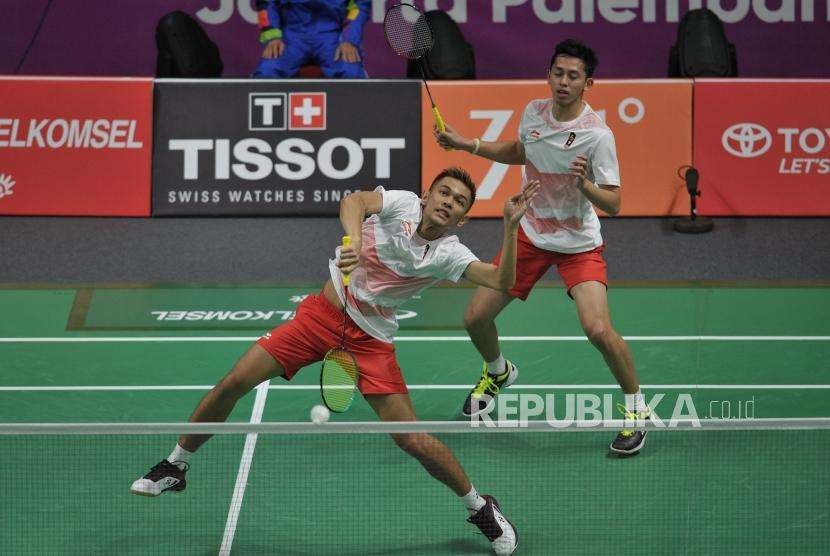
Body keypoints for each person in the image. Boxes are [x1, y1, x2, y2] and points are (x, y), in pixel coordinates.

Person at [131, 168, 540, 555]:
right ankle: (175, 466)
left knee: (411, 438)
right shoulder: (399, 204)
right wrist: (356, 242)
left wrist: (509, 225)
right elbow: (354, 201)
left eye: (460, 201)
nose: (449, 202)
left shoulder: (449, 253)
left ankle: (480, 507)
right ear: (427, 195)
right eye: (445, 192)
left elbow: (502, 281)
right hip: (321, 317)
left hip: (372, 341)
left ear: (464, 218)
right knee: (234, 381)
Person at [435, 39, 650, 456]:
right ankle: (498, 372)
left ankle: (637, 410)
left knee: (598, 329)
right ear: (549, 75)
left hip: (578, 243)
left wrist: (585, 185)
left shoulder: (597, 136)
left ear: (589, 83)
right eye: (558, 73)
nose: (563, 82)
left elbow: (616, 203)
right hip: (531, 233)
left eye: (573, 76)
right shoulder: (533, 112)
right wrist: (467, 144)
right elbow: (520, 150)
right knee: (475, 317)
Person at [252, 0, 369, 78]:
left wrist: (349, 39)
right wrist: (273, 37)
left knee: (352, 73)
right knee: (267, 72)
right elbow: (266, 3)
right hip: (292, 37)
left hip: (331, 37)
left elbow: (359, 7)